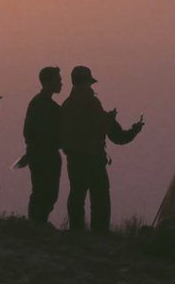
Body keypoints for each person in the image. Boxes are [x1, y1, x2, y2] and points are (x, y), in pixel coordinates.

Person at [60, 65, 144, 233]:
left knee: (77, 195)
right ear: (85, 82)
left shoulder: (67, 105)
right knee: (100, 196)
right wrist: (114, 121)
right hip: (93, 159)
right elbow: (111, 133)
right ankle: (100, 232)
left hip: (75, 159)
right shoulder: (92, 102)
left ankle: (76, 231)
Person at [23, 66, 64, 224]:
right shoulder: (41, 104)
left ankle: (38, 222)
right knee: (43, 191)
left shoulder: (44, 104)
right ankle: (36, 223)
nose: (61, 83)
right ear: (48, 82)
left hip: (44, 153)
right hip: (43, 154)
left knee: (48, 192)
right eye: (58, 80)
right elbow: (29, 131)